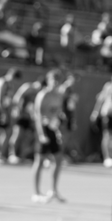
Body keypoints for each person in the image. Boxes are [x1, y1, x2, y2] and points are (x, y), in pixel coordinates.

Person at [30, 68, 66, 203]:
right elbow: (38, 116)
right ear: (48, 80)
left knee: (58, 159)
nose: (56, 82)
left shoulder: (58, 96)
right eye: (53, 79)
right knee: (39, 161)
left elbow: (57, 113)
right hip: (43, 129)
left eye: (58, 80)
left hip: (52, 129)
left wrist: (58, 130)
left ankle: (54, 191)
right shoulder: (42, 95)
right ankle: (36, 193)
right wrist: (41, 134)